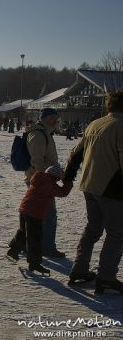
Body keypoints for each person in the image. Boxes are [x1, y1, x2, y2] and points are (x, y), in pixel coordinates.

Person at [64, 91, 123, 293]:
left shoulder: (95, 124)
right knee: (116, 233)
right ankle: (106, 277)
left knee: (93, 229)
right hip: (112, 189)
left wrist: (68, 176)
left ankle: (79, 270)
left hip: (89, 185)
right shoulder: (121, 126)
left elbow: (75, 153)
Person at [7, 165, 73, 276]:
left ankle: (13, 249)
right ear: (56, 177)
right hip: (35, 213)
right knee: (35, 238)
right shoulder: (49, 185)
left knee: (23, 231)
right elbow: (63, 193)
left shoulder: (38, 177)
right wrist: (68, 182)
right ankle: (34, 263)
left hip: (24, 209)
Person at [25, 108, 65, 258]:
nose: (55, 119)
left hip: (43, 179)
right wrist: (43, 181)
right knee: (49, 215)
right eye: (52, 117)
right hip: (40, 180)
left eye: (56, 117)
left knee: (39, 214)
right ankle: (47, 248)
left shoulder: (46, 133)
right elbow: (37, 161)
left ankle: (29, 244)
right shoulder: (38, 135)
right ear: (44, 118)